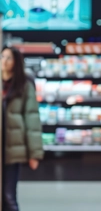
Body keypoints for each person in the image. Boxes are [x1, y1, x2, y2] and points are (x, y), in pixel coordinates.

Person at [1, 47, 43, 211]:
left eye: (9, 58)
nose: (4, 61)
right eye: (2, 56)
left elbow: (31, 119)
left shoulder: (24, 85)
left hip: (12, 148)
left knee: (8, 196)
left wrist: (34, 153)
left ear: (16, 62)